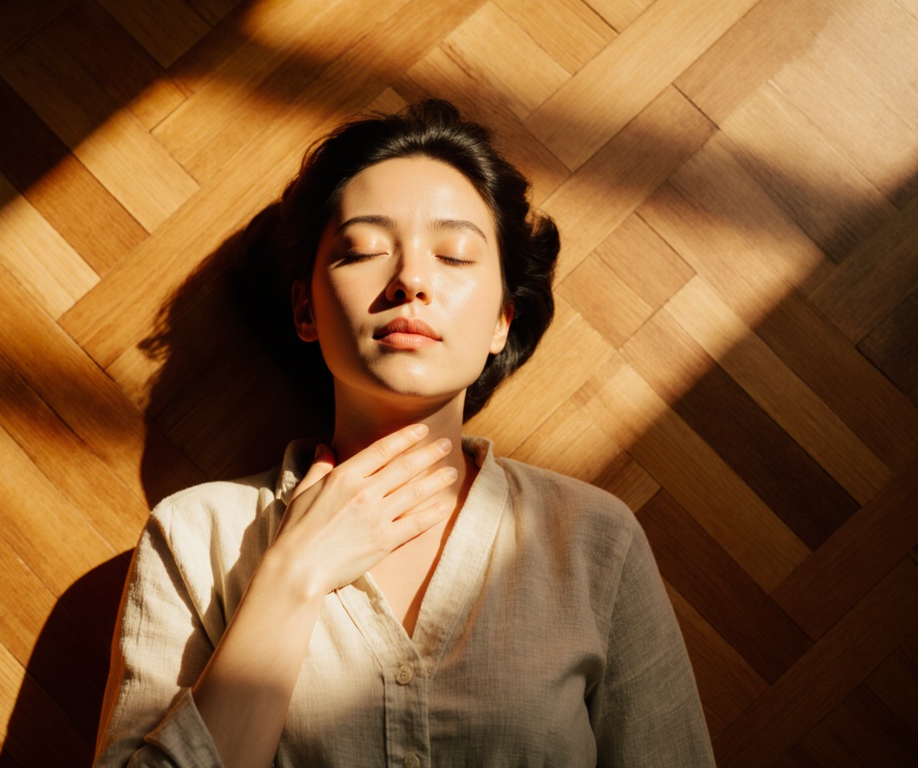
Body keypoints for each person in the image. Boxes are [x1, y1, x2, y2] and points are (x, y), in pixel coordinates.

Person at [94, 99, 716, 767]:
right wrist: (294, 576)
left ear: (503, 321)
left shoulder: (594, 542)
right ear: (305, 307)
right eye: (362, 250)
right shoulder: (194, 538)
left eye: (453, 256)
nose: (410, 280)